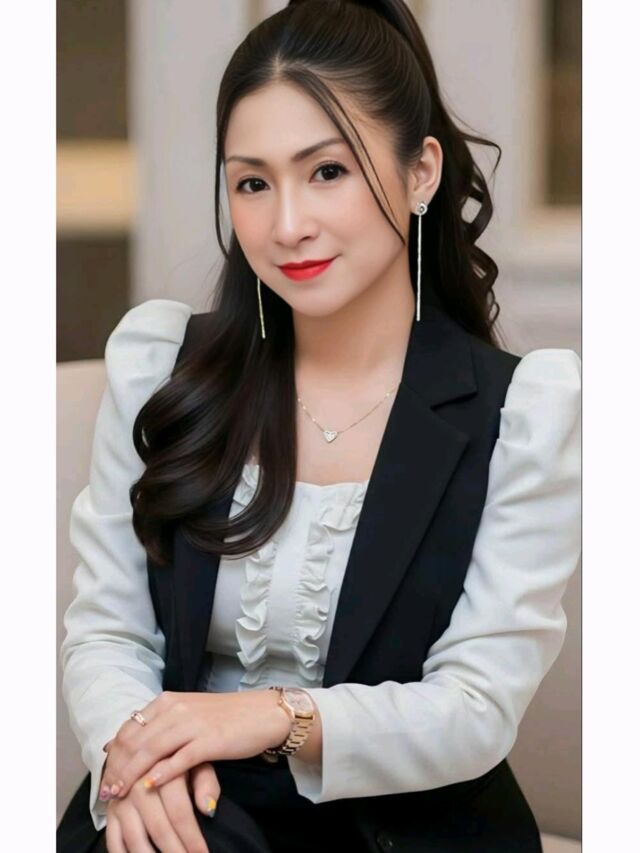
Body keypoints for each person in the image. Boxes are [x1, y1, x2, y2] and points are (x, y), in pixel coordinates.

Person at [57, 1, 581, 851]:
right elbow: (108, 629)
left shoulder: (520, 413)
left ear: (421, 173)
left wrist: (269, 716)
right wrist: (137, 766)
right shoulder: (163, 368)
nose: (287, 224)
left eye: (327, 171)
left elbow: (475, 705)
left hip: (405, 826)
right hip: (182, 803)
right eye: (252, 182)